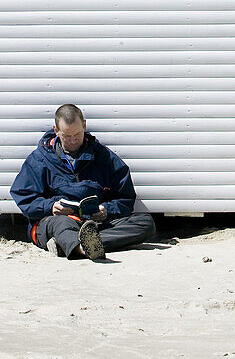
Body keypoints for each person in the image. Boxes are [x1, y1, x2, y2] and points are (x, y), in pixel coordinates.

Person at [9, 102, 156, 261]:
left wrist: (106, 210)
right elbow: (23, 196)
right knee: (62, 225)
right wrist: (50, 206)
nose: (72, 141)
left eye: (77, 134)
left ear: (84, 126)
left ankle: (70, 245)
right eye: (66, 136)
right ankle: (82, 247)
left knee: (145, 223)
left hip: (94, 223)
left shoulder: (103, 156)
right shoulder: (40, 159)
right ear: (56, 131)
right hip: (57, 221)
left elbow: (125, 198)